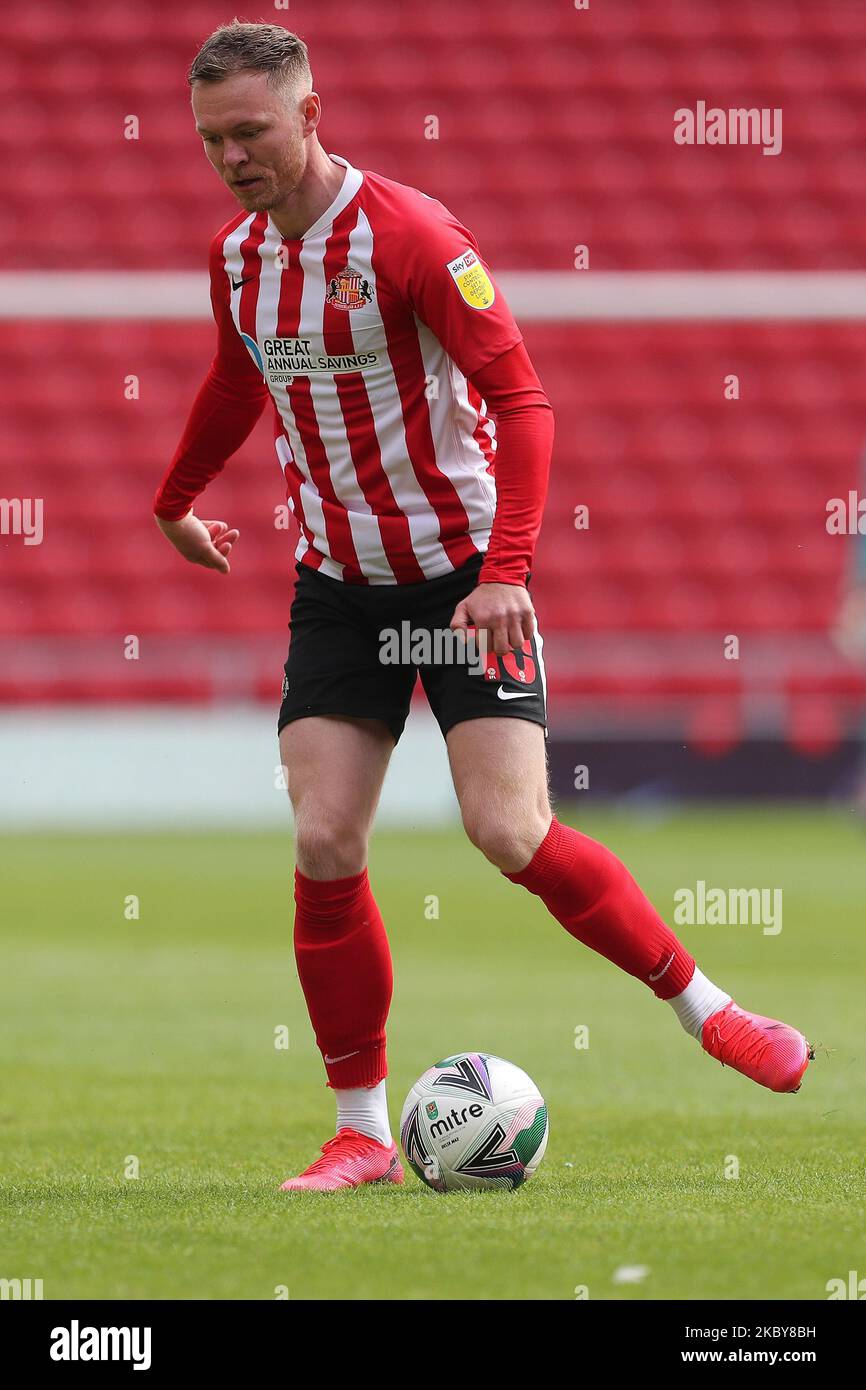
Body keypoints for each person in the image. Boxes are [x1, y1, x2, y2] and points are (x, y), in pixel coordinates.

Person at [154, 21, 813, 1193]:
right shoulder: (238, 257)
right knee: (321, 837)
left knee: (506, 832)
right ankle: (361, 1129)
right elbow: (232, 372)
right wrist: (175, 496)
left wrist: (507, 568)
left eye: (249, 131)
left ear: (309, 115)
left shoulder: (411, 233)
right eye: (212, 139)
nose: (231, 157)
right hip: (339, 588)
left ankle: (710, 1009)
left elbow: (523, 400)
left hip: (464, 579)